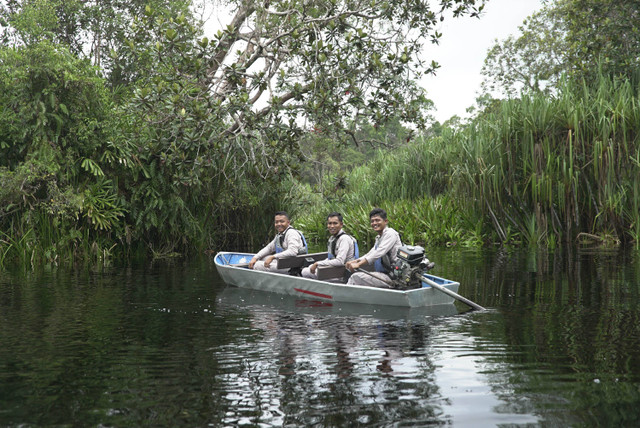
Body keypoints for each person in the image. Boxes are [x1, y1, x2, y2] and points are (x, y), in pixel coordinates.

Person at [345, 208, 402, 288]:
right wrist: (355, 261)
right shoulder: (379, 237)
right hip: (384, 274)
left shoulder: (391, 233)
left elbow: (379, 252)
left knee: (355, 277)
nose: (374, 223)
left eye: (377, 220)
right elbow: (371, 253)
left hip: (392, 277)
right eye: (372, 221)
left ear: (385, 221)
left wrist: (359, 264)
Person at [301, 212, 358, 280]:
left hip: (342, 273)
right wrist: (318, 264)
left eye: (335, 223)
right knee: (310, 267)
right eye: (329, 223)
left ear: (341, 224)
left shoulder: (344, 239)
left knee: (304, 271)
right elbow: (331, 258)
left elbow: (339, 261)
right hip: (335, 270)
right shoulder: (332, 238)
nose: (332, 226)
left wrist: (317, 263)